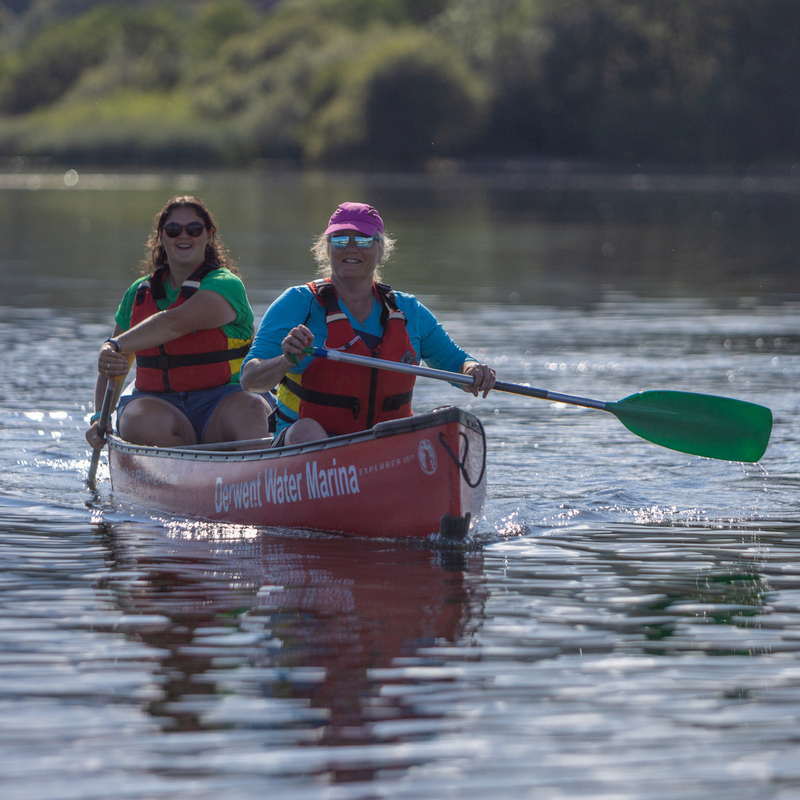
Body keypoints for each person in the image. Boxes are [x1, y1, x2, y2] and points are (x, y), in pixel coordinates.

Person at [240, 201, 495, 447]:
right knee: (307, 430)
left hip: (382, 450)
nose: (351, 248)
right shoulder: (296, 302)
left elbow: (457, 363)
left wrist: (474, 370)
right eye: (340, 240)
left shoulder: (409, 310)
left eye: (362, 240)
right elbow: (249, 379)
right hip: (303, 447)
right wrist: (285, 360)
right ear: (326, 248)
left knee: (445, 422)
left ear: (380, 249)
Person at [86, 195, 272, 451]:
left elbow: (174, 322)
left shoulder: (226, 284)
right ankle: (180, 469)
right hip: (159, 404)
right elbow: (114, 367)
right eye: (173, 230)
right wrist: (100, 417)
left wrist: (112, 346)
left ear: (208, 235)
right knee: (135, 420)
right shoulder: (137, 293)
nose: (184, 236)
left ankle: (253, 479)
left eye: (194, 229)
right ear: (161, 237)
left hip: (223, 399)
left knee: (251, 408)